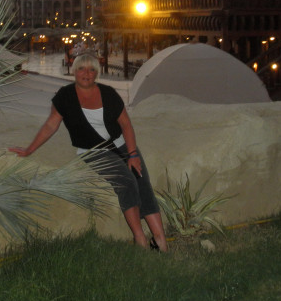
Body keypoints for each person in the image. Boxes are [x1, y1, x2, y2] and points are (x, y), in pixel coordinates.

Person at [9, 53, 169, 252]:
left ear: (97, 73)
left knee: (141, 180)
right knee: (126, 181)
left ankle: (160, 240)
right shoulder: (65, 96)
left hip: (120, 144)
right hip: (93, 151)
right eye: (81, 69)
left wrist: (133, 154)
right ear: (74, 71)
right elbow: (51, 125)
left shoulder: (108, 93)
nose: (86, 73)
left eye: (91, 69)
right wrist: (29, 149)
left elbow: (126, 125)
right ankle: (140, 238)